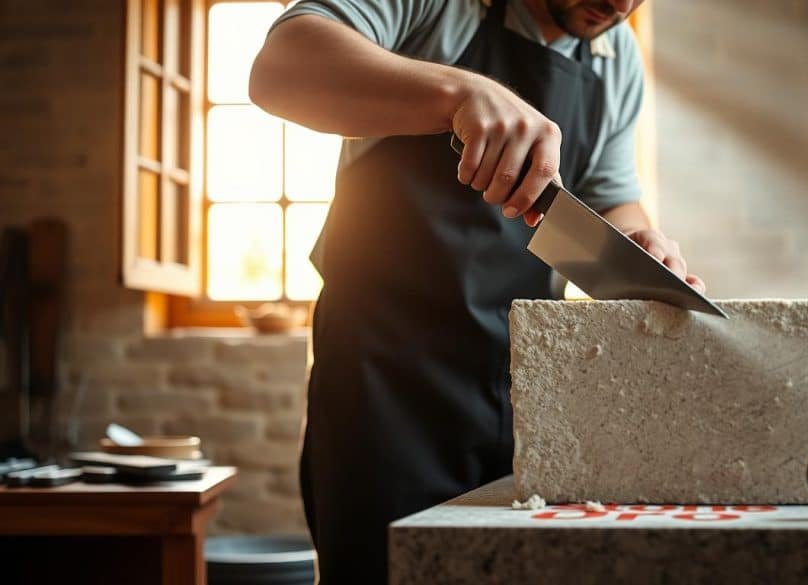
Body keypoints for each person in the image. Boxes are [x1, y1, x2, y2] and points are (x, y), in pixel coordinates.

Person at [250, 0, 705, 581]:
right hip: (384, 393)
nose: (620, 4)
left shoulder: (617, 59)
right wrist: (456, 95)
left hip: (524, 393)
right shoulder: (438, 8)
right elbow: (279, 69)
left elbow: (610, 195)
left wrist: (639, 241)